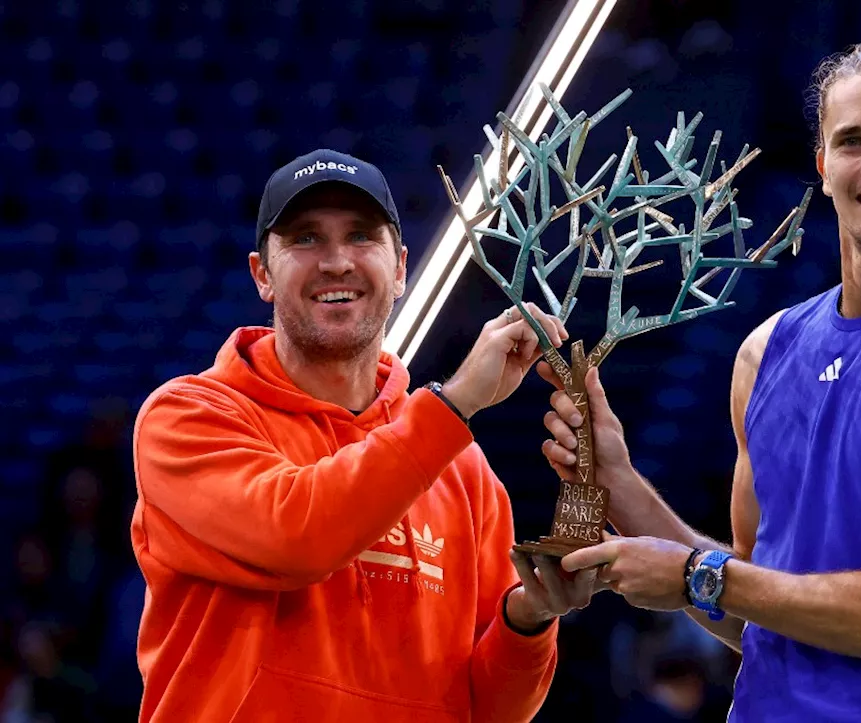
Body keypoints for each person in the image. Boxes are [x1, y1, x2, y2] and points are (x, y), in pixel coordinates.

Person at [539, 42, 861, 721]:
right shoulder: (765, 351)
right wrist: (620, 481)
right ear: (823, 165)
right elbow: (757, 614)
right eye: (852, 141)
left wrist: (693, 575)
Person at [130, 148, 597, 722]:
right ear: (262, 275)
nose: (335, 262)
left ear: (399, 268)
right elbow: (298, 536)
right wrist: (456, 403)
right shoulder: (188, 419)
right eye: (305, 239)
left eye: (359, 237)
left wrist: (529, 618)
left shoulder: (462, 469)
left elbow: (493, 710)